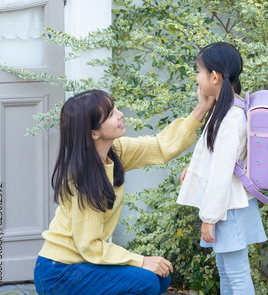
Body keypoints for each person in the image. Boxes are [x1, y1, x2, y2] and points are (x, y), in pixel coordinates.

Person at [33, 88, 214, 295]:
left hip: (82, 264)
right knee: (146, 282)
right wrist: (141, 260)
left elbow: (161, 146)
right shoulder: (83, 179)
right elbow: (90, 247)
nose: (120, 114)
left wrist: (203, 108)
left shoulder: (115, 151)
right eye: (110, 114)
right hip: (59, 272)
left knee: (160, 279)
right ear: (94, 132)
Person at [177, 42, 267, 294]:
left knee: (236, 276)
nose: (196, 77)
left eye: (198, 71)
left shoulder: (230, 117)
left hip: (229, 209)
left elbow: (221, 174)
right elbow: (212, 157)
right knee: (227, 273)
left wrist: (209, 218)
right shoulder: (224, 109)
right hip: (227, 207)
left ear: (214, 76)